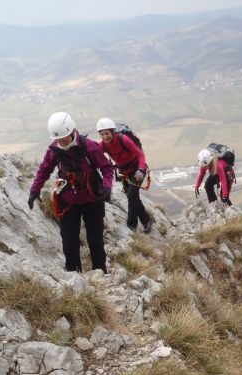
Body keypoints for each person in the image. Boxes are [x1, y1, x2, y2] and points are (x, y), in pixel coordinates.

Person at [28, 112, 114, 273]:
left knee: (95, 240)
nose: (61, 142)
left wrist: (107, 188)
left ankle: (100, 273)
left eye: (64, 138)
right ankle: (74, 276)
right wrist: (34, 190)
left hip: (92, 200)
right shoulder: (55, 150)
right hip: (68, 201)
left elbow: (107, 168)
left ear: (72, 131)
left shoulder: (88, 146)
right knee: (69, 242)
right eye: (58, 139)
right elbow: (44, 169)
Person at [96, 117, 152, 233]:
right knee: (133, 196)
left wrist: (141, 170)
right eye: (102, 134)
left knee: (132, 195)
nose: (105, 137)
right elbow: (93, 152)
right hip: (124, 172)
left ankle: (132, 225)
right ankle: (146, 220)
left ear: (112, 131)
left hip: (137, 169)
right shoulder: (104, 145)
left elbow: (140, 154)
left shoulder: (123, 139)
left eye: (107, 133)